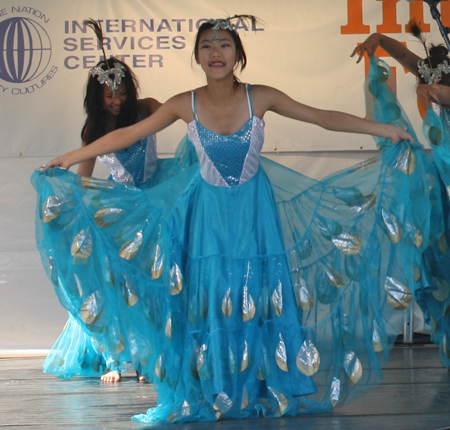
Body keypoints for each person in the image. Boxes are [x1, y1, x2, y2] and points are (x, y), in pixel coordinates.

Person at [32, 15, 446, 423]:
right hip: (208, 221)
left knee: (262, 293)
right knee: (214, 298)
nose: (216, 52)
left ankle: (265, 385)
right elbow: (124, 137)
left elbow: (320, 116)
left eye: (224, 44)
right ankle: (217, 387)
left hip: (255, 215)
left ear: (238, 54)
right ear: (197, 54)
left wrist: (382, 128)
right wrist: (72, 157)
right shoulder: (184, 103)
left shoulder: (259, 96)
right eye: (208, 46)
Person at [41, 56, 197, 384]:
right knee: (124, 283)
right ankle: (120, 356)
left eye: (122, 93)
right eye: (109, 95)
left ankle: (154, 356)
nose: (116, 101)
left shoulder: (148, 108)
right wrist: (66, 197)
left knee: (159, 279)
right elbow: (83, 178)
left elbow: (191, 116)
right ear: (96, 97)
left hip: (158, 201)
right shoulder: (94, 129)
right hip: (123, 209)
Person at [352, 25, 450, 369]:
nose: (430, 91)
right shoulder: (431, 78)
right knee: (437, 258)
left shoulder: (438, 91)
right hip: (435, 178)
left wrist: (436, 93)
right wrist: (375, 41)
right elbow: (407, 57)